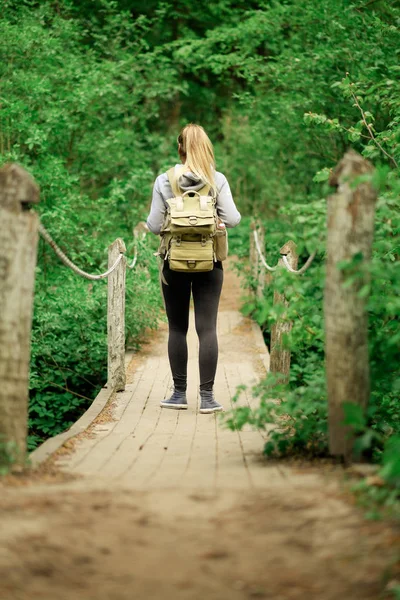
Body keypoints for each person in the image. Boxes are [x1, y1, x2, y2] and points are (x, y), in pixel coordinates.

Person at [146, 123, 241, 413]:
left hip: (173, 262)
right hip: (209, 262)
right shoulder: (217, 179)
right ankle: (208, 398)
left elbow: (152, 225)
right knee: (207, 328)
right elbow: (233, 219)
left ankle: (178, 395)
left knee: (177, 328)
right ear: (206, 147)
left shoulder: (164, 180)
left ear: (180, 148)